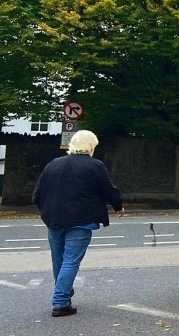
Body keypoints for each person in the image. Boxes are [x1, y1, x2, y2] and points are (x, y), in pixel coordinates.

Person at [32, 130, 124, 317]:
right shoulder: (94, 165)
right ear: (90, 147)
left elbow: (38, 193)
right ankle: (60, 302)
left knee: (59, 260)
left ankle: (64, 295)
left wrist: (46, 211)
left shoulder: (54, 164)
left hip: (53, 220)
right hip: (81, 220)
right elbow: (108, 189)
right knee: (71, 260)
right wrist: (118, 206)